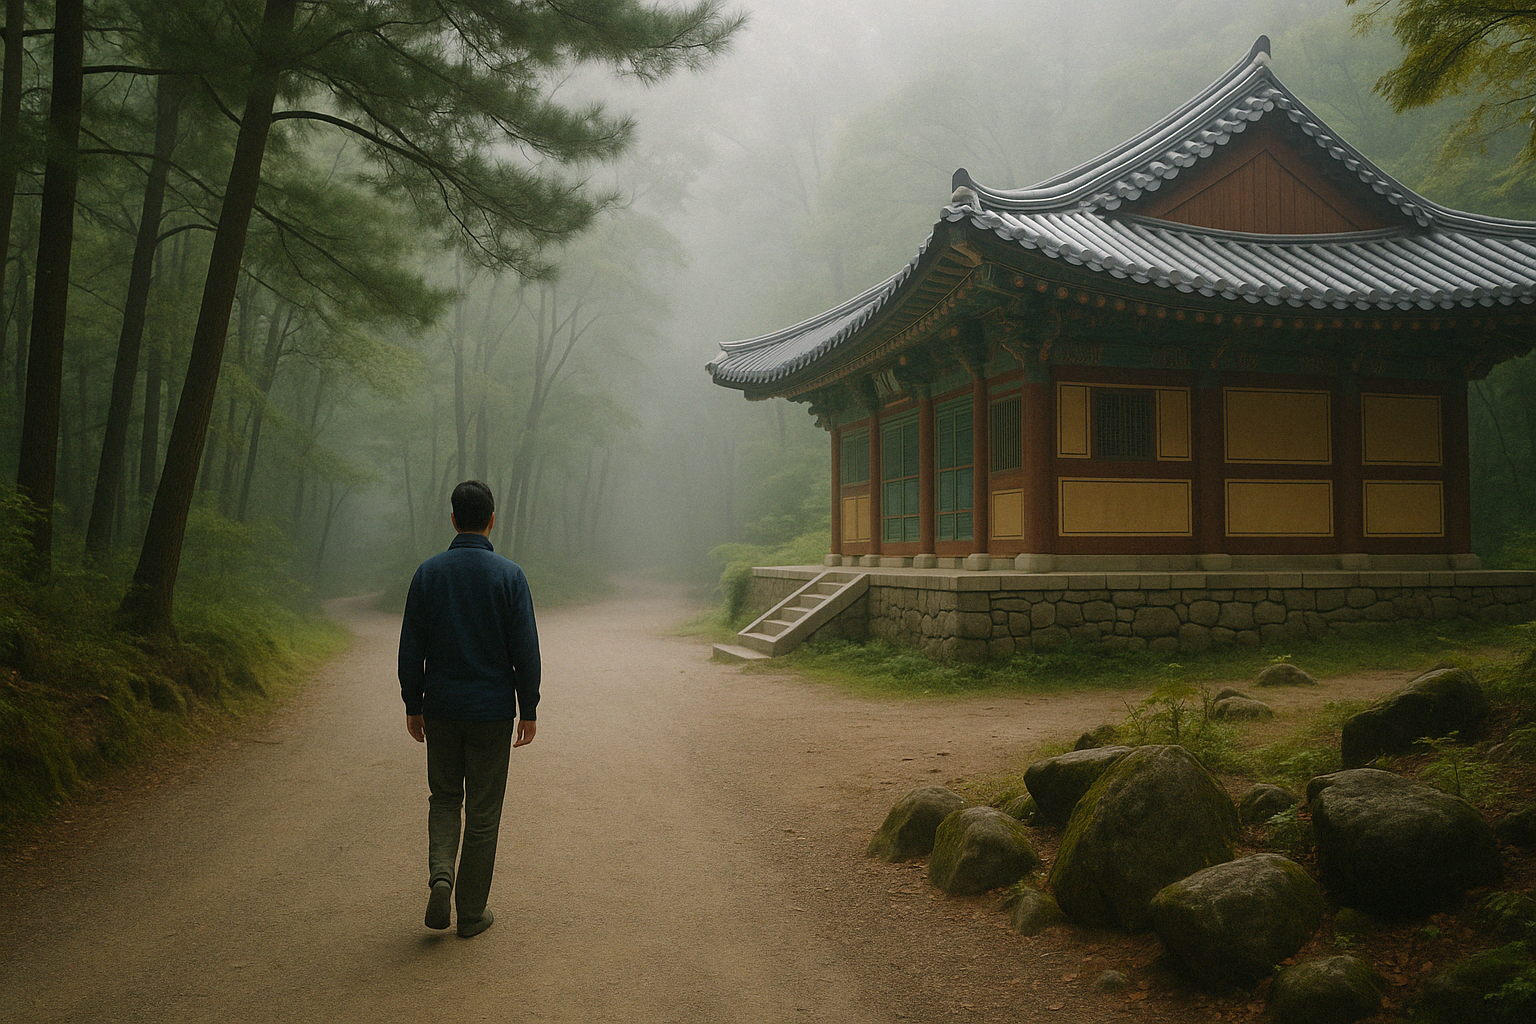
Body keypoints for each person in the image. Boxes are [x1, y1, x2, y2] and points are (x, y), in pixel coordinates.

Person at [398, 480, 540, 938]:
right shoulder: (509, 576)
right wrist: (529, 706)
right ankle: (472, 913)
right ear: (491, 520)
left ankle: (441, 876)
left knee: (443, 798)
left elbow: (410, 646)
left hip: (440, 708)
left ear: (454, 519)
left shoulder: (428, 573)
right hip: (491, 711)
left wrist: (412, 702)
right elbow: (525, 649)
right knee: (482, 813)